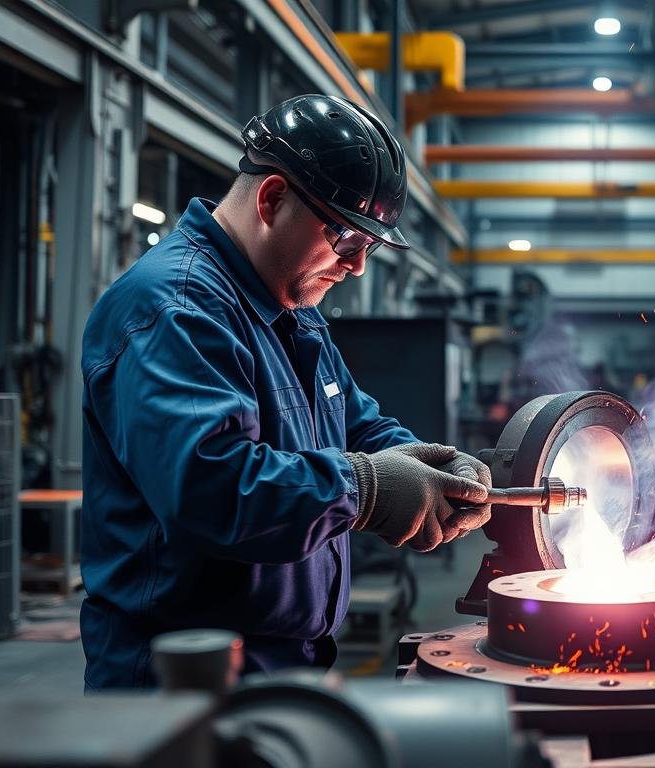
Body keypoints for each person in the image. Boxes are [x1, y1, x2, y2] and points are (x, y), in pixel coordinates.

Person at [78, 94, 491, 690]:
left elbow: (352, 420)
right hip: (181, 677)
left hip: (283, 659)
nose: (356, 267)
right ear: (272, 199)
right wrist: (367, 489)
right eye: (347, 239)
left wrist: (428, 462)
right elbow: (211, 488)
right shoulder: (176, 309)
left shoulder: (290, 302)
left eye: (371, 249)